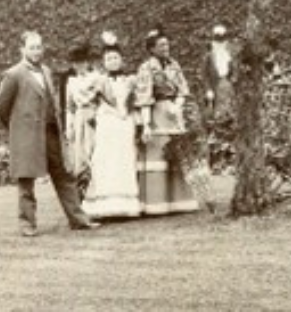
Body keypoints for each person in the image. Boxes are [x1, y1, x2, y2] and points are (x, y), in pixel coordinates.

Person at [0, 31, 98, 237]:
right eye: (32, 47)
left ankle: (78, 219)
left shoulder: (47, 72)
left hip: (50, 133)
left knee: (64, 177)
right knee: (26, 181)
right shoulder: (13, 74)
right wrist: (19, 128)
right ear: (22, 49)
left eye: (39, 47)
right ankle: (27, 225)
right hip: (27, 137)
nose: (36, 51)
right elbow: (1, 109)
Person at [134, 29, 198, 216]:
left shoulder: (174, 65)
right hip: (156, 114)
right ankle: (157, 203)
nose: (165, 48)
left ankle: (179, 202)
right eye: (161, 45)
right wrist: (146, 124)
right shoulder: (146, 68)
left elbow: (183, 89)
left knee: (177, 155)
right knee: (158, 157)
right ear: (152, 49)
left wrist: (177, 105)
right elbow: (144, 98)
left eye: (167, 45)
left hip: (173, 112)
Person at [81, 43, 142, 219]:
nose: (113, 61)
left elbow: (137, 102)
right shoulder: (99, 80)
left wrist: (134, 119)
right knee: (105, 161)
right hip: (107, 125)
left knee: (124, 160)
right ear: (103, 62)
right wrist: (99, 115)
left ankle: (126, 206)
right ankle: (103, 206)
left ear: (121, 60)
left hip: (124, 125)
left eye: (116, 58)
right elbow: (86, 101)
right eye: (109, 58)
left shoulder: (130, 80)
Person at [62, 44, 100, 192]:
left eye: (83, 62)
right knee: (81, 152)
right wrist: (69, 127)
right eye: (76, 63)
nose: (80, 66)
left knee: (96, 149)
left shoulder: (97, 77)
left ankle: (99, 187)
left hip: (95, 116)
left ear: (88, 62)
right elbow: (70, 107)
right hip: (79, 118)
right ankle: (84, 189)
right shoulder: (71, 82)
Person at [202, 24, 235, 123]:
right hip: (215, 86)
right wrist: (208, 89)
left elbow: (233, 71)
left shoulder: (230, 54)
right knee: (215, 114)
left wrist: (232, 80)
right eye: (217, 40)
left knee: (229, 112)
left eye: (222, 40)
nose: (220, 43)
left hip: (228, 85)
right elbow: (204, 74)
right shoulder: (209, 56)